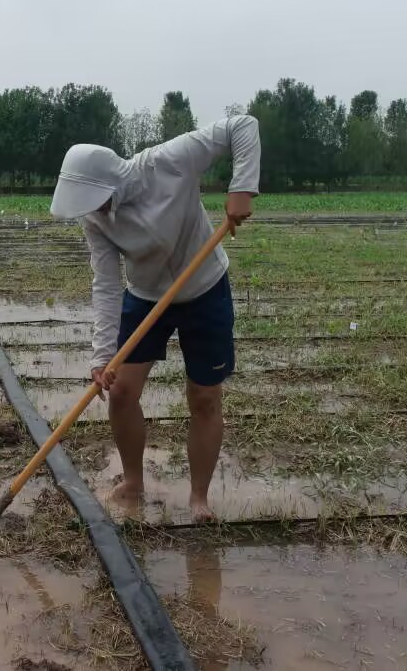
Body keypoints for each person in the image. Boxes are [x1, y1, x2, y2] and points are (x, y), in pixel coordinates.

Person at [49, 114, 261, 522]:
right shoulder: (95, 220)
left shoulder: (168, 162)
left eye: (96, 202)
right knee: (122, 393)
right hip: (145, 296)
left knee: (204, 397)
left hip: (204, 288)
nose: (94, 212)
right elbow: (107, 285)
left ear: (108, 182)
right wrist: (101, 355)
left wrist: (242, 188)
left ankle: (199, 499)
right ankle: (133, 481)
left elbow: (243, 125)